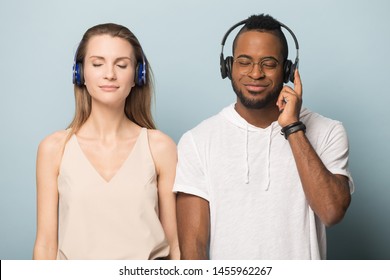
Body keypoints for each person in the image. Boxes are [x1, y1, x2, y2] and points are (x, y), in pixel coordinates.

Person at [174, 14, 353, 260]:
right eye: (244, 62)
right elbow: (192, 247)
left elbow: (332, 212)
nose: (255, 73)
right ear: (228, 66)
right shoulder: (197, 140)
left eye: (268, 64)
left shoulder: (328, 131)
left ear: (288, 70)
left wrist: (292, 127)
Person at [33, 23, 179, 260]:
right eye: (97, 63)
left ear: (138, 76)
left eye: (121, 65)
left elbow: (175, 247)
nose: (109, 74)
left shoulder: (160, 147)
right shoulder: (53, 148)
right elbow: (45, 245)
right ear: (79, 74)